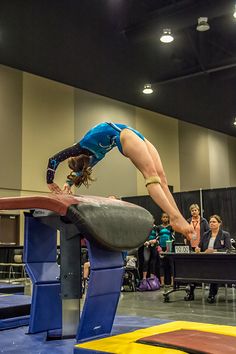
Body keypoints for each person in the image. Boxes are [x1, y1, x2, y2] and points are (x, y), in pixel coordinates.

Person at [46, 122, 193, 239]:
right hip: (126, 135)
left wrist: (54, 182)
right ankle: (174, 217)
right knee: (152, 177)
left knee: (161, 179)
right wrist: (62, 182)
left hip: (132, 135)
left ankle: (177, 217)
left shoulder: (83, 146)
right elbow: (62, 164)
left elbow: (54, 160)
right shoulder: (91, 154)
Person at [185, 215, 232, 303]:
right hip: (205, 260)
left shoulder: (225, 234)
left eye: (214, 222)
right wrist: (198, 248)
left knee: (214, 272)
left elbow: (228, 249)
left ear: (219, 223)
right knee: (193, 270)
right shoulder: (206, 234)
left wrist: (214, 250)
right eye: (210, 222)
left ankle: (212, 294)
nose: (211, 224)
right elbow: (200, 246)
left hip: (218, 261)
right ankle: (190, 292)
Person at [138, 224, 159, 291]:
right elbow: (140, 236)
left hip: (153, 245)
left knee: (153, 262)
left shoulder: (155, 227)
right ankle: (144, 279)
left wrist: (154, 241)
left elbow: (158, 237)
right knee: (146, 261)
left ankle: (152, 278)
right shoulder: (144, 227)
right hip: (146, 246)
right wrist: (144, 242)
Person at [156, 212, 175, 287]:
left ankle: (172, 282)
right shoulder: (158, 227)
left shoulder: (171, 227)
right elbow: (157, 238)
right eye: (164, 217)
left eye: (166, 217)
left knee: (171, 265)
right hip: (161, 248)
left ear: (168, 218)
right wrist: (159, 248)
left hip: (169, 248)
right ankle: (162, 283)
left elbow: (173, 238)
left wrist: (169, 248)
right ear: (161, 218)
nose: (165, 218)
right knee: (161, 265)